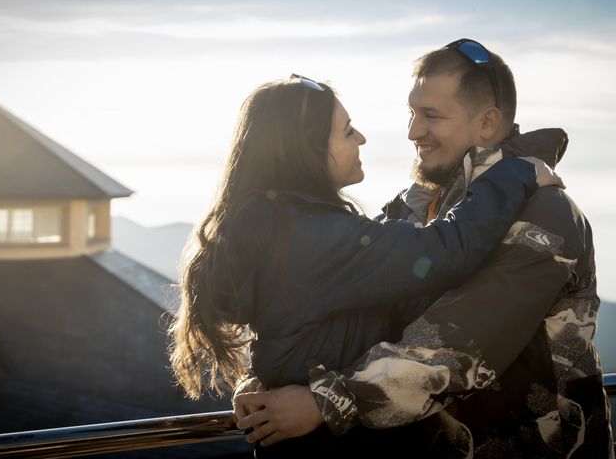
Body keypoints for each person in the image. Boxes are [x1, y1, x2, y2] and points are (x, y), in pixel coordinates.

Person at [234, 41, 614, 457]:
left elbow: (458, 347)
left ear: (487, 123)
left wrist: (326, 401)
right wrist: (274, 382)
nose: (413, 131)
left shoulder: (542, 211)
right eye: (412, 113)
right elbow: (342, 315)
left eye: (431, 116)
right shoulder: (416, 211)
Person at [168, 73, 560, 457]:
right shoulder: (315, 237)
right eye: (346, 131)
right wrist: (517, 172)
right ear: (306, 149)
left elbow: (302, 326)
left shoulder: (273, 225)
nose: (361, 138)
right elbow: (446, 250)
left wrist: (277, 377)